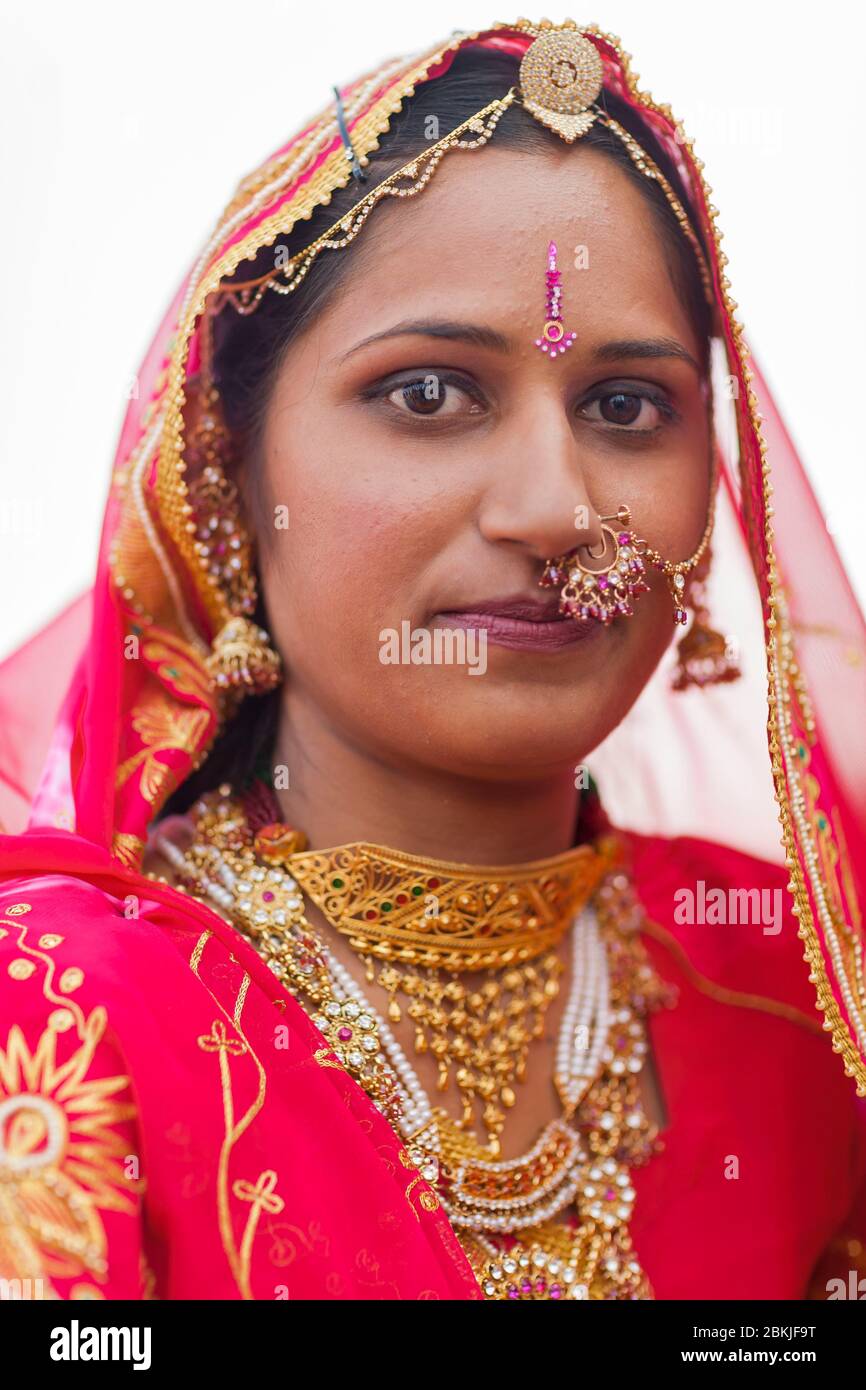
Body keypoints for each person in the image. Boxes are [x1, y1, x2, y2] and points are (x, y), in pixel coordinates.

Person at [1, 17, 865, 1302]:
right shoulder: (63, 1015)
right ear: (229, 467)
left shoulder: (811, 1014)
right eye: (429, 394)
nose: (552, 507)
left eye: (625, 407)